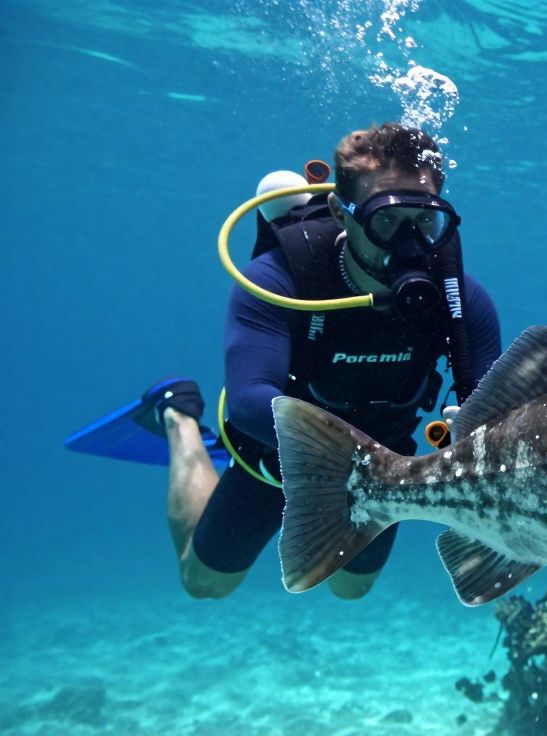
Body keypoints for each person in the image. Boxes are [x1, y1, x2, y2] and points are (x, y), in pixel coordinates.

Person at [152, 123, 502, 598]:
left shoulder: (460, 297)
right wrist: (343, 457)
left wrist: (477, 428)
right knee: (205, 583)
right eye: (386, 221)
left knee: (351, 590)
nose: (409, 244)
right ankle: (179, 417)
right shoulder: (278, 277)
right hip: (274, 460)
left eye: (425, 222)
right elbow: (251, 400)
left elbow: (496, 402)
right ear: (341, 211)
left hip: (384, 471)